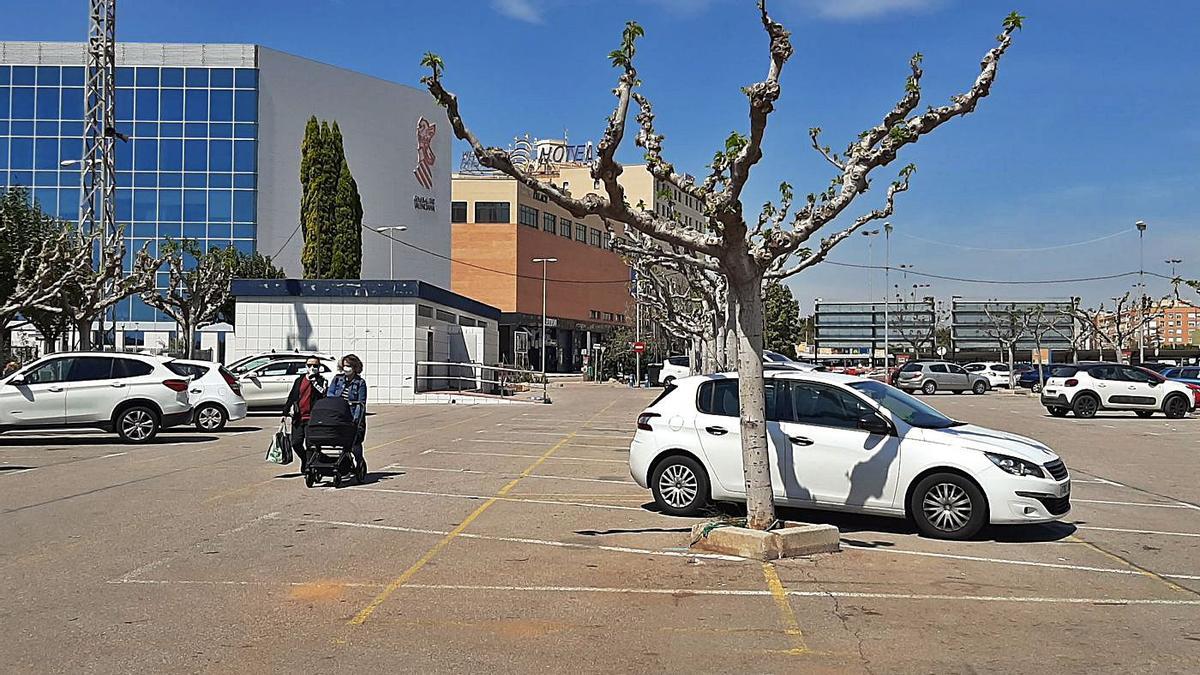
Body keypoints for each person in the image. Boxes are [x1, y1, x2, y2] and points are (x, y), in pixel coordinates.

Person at [282, 356, 328, 472]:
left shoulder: (322, 381)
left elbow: (323, 394)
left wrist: (314, 381)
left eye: (315, 366)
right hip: (298, 416)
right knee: (296, 443)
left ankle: (309, 467)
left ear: (319, 367)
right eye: (309, 365)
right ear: (306, 366)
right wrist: (285, 412)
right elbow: (292, 396)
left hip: (312, 418)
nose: (312, 368)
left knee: (310, 444)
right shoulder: (299, 380)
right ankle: (305, 460)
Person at [327, 353, 367, 473]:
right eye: (344, 365)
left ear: (355, 367)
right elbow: (330, 394)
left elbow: (361, 403)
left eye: (349, 366)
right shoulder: (337, 379)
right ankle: (343, 464)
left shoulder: (360, 383)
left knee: (355, 442)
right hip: (339, 415)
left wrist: (356, 420)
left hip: (353, 416)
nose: (346, 368)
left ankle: (359, 462)